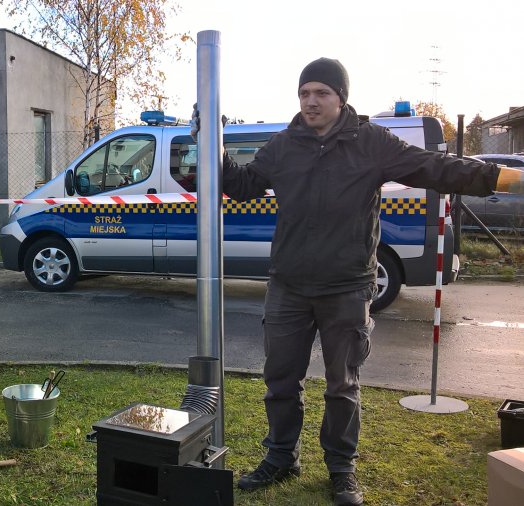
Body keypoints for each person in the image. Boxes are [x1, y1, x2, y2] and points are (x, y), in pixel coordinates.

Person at [192, 57, 521, 505]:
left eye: (321, 93)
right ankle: (281, 457)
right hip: (289, 284)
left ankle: (341, 469)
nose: (311, 101)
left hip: (347, 286)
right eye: (304, 93)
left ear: (340, 97)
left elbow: (433, 168)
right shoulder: (284, 144)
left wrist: (501, 176)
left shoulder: (371, 143)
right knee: (280, 381)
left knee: (341, 384)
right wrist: (210, 145)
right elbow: (245, 184)